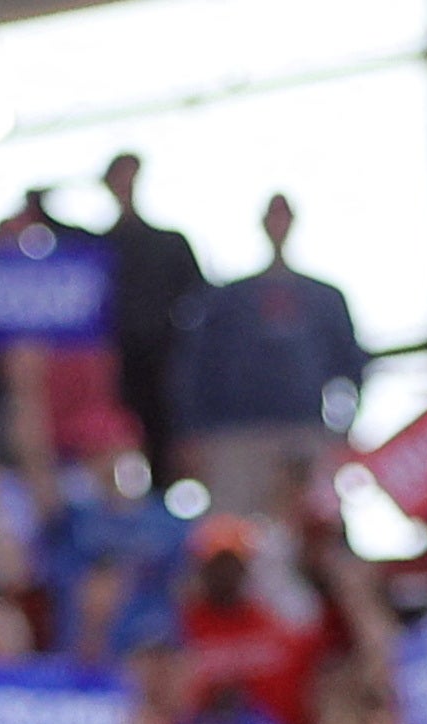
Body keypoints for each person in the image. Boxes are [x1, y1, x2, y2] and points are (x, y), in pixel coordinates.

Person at [170, 195, 366, 527]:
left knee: (312, 528)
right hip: (236, 435)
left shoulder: (325, 298)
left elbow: (351, 368)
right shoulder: (226, 300)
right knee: (231, 532)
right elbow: (195, 368)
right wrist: (193, 433)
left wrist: (342, 430)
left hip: (304, 429)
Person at [95, 153, 209, 488]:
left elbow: (201, 304)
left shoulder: (169, 245)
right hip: (113, 370)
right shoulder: (100, 247)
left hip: (164, 369)